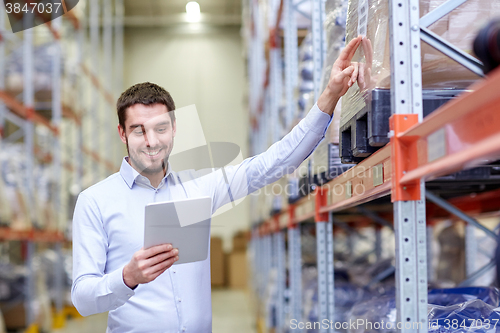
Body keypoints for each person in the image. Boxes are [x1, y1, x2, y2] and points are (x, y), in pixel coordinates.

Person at [71, 36, 363, 332]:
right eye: (138, 131)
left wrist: (330, 96)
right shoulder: (95, 201)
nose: (151, 141)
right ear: (122, 133)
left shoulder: (198, 190)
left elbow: (272, 162)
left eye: (161, 128)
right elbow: (82, 298)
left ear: (174, 129)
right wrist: (127, 276)